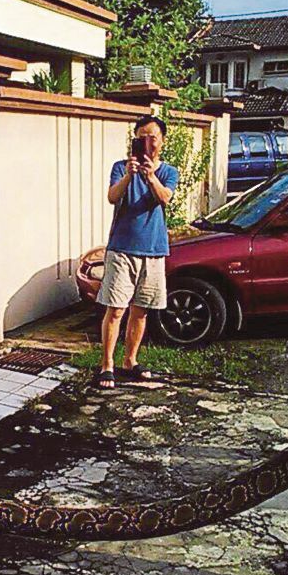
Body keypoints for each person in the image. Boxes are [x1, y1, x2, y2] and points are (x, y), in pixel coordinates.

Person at [97, 115, 179, 388]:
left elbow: (164, 197)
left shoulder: (168, 171)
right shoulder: (121, 167)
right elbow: (112, 196)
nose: (147, 141)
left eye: (152, 136)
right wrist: (131, 175)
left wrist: (150, 176)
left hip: (153, 250)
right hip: (121, 249)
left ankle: (129, 361)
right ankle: (107, 364)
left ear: (162, 141)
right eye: (141, 136)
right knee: (116, 309)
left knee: (141, 311)